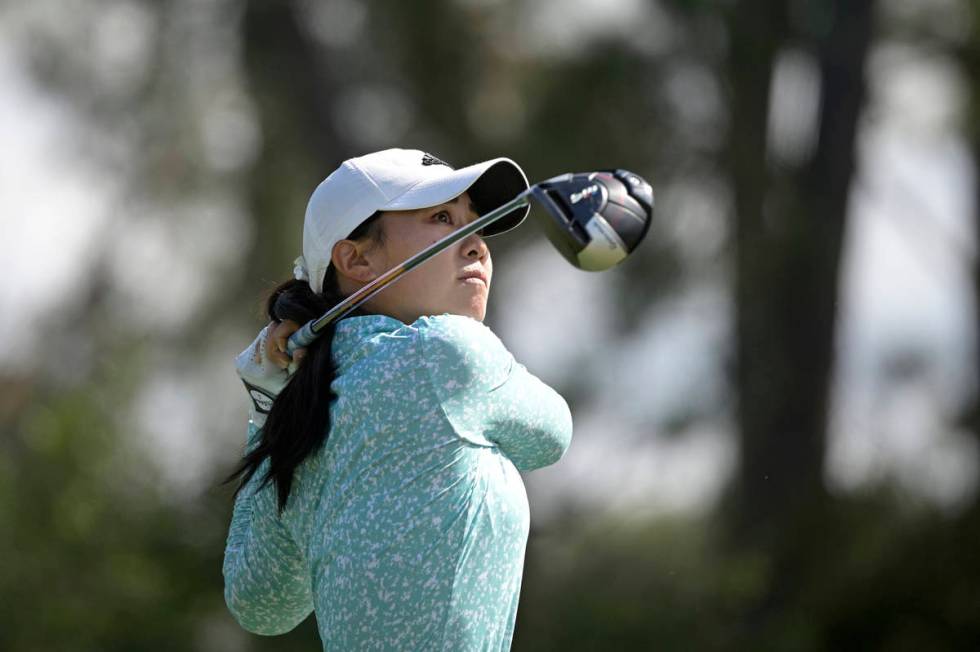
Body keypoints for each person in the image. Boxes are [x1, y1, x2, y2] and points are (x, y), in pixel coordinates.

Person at [222, 148, 573, 650]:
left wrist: (265, 408)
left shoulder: (306, 409)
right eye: (442, 218)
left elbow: (261, 604)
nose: (476, 244)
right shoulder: (447, 352)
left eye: (475, 223)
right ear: (357, 259)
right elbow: (553, 436)